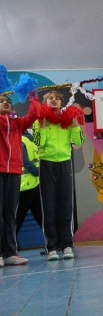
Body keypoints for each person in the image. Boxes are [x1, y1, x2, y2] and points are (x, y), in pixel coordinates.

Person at [35, 90, 84, 261]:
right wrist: (42, 125)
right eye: (50, 98)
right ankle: (52, 247)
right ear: (45, 103)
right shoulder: (39, 120)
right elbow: (38, 143)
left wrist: (75, 123)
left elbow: (78, 142)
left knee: (66, 206)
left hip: (64, 163)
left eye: (57, 98)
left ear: (62, 103)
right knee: (48, 207)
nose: (54, 100)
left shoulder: (67, 121)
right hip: (46, 164)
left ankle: (67, 245)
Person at [0, 93, 41, 267]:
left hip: (14, 172)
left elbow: (34, 114)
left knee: (10, 214)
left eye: (8, 101)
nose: (5, 103)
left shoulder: (17, 124)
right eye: (1, 101)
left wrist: (33, 97)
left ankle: (10, 253)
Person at [16, 130, 43, 249]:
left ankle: (7, 248)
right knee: (41, 216)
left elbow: (25, 163)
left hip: (24, 185)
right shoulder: (33, 141)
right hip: (36, 183)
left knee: (17, 218)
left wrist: (37, 172)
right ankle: (54, 243)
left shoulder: (20, 141)